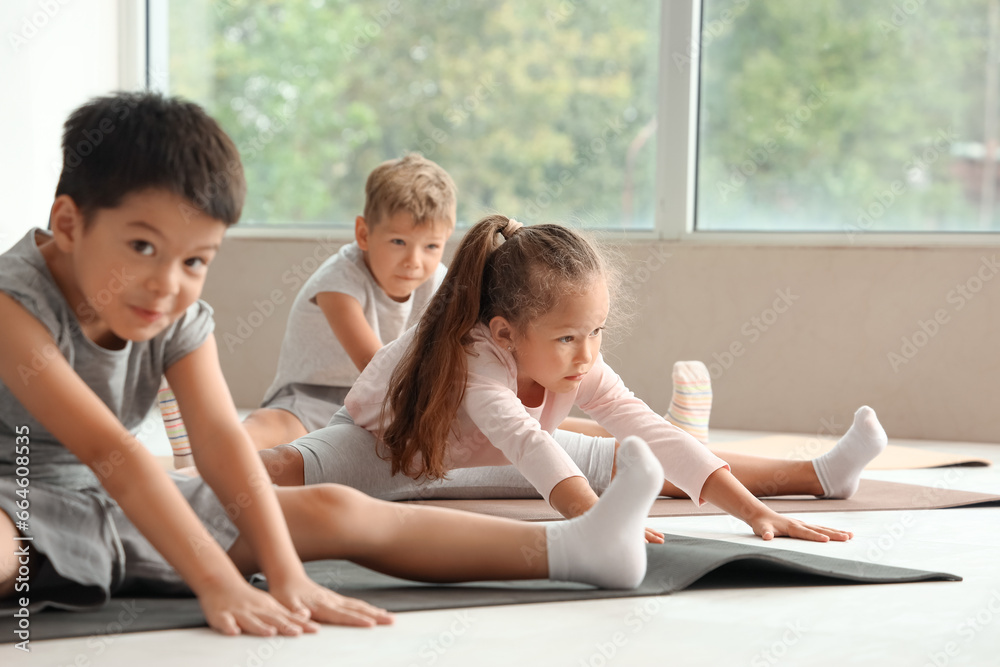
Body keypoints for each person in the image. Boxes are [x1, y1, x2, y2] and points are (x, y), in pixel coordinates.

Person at [0, 93, 677, 638]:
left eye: (195, 260)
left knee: (336, 507)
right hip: (17, 496)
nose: (168, 284)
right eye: (142, 246)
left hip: (120, 500)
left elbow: (216, 440)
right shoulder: (14, 302)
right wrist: (221, 581)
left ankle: (581, 549)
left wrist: (285, 570)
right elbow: (108, 447)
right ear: (67, 222)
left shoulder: (172, 310)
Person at [261, 215, 888, 544]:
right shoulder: (476, 357)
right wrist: (598, 520)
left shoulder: (572, 359)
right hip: (385, 449)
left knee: (635, 453)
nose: (587, 354)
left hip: (483, 461)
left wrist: (754, 513)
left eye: (597, 332)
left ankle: (822, 476)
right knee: (276, 474)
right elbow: (531, 445)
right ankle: (180, 478)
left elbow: (649, 429)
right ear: (505, 333)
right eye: (568, 337)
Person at [243, 155, 456, 450]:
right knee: (275, 427)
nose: (414, 262)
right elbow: (374, 365)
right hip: (316, 398)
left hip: (387, 400)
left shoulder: (440, 283)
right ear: (363, 234)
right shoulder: (338, 282)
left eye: (431, 246)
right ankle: (210, 457)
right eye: (398, 242)